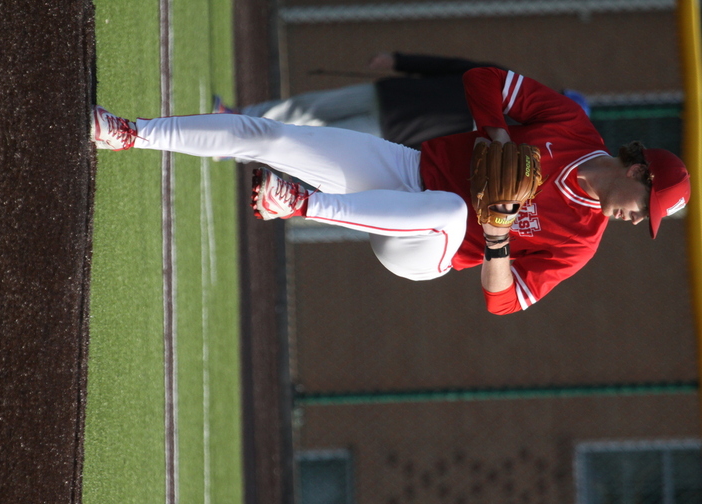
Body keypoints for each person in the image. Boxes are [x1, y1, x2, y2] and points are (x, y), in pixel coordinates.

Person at [91, 66, 691, 315]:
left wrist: (501, 242)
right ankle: (128, 133)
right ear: (638, 170)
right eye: (648, 207)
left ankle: (299, 204)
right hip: (403, 171)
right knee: (268, 136)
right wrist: (496, 139)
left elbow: (503, 301)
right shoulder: (569, 126)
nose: (640, 220)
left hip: (426, 247)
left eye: (650, 219)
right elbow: (483, 81)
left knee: (455, 211)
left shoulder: (581, 242)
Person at [214, 52, 591, 149]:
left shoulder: (506, 139)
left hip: (392, 129)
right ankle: (235, 119)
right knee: (303, 108)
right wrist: (399, 61)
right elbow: (451, 66)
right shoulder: (507, 81)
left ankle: (232, 143)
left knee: (302, 135)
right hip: (390, 95)